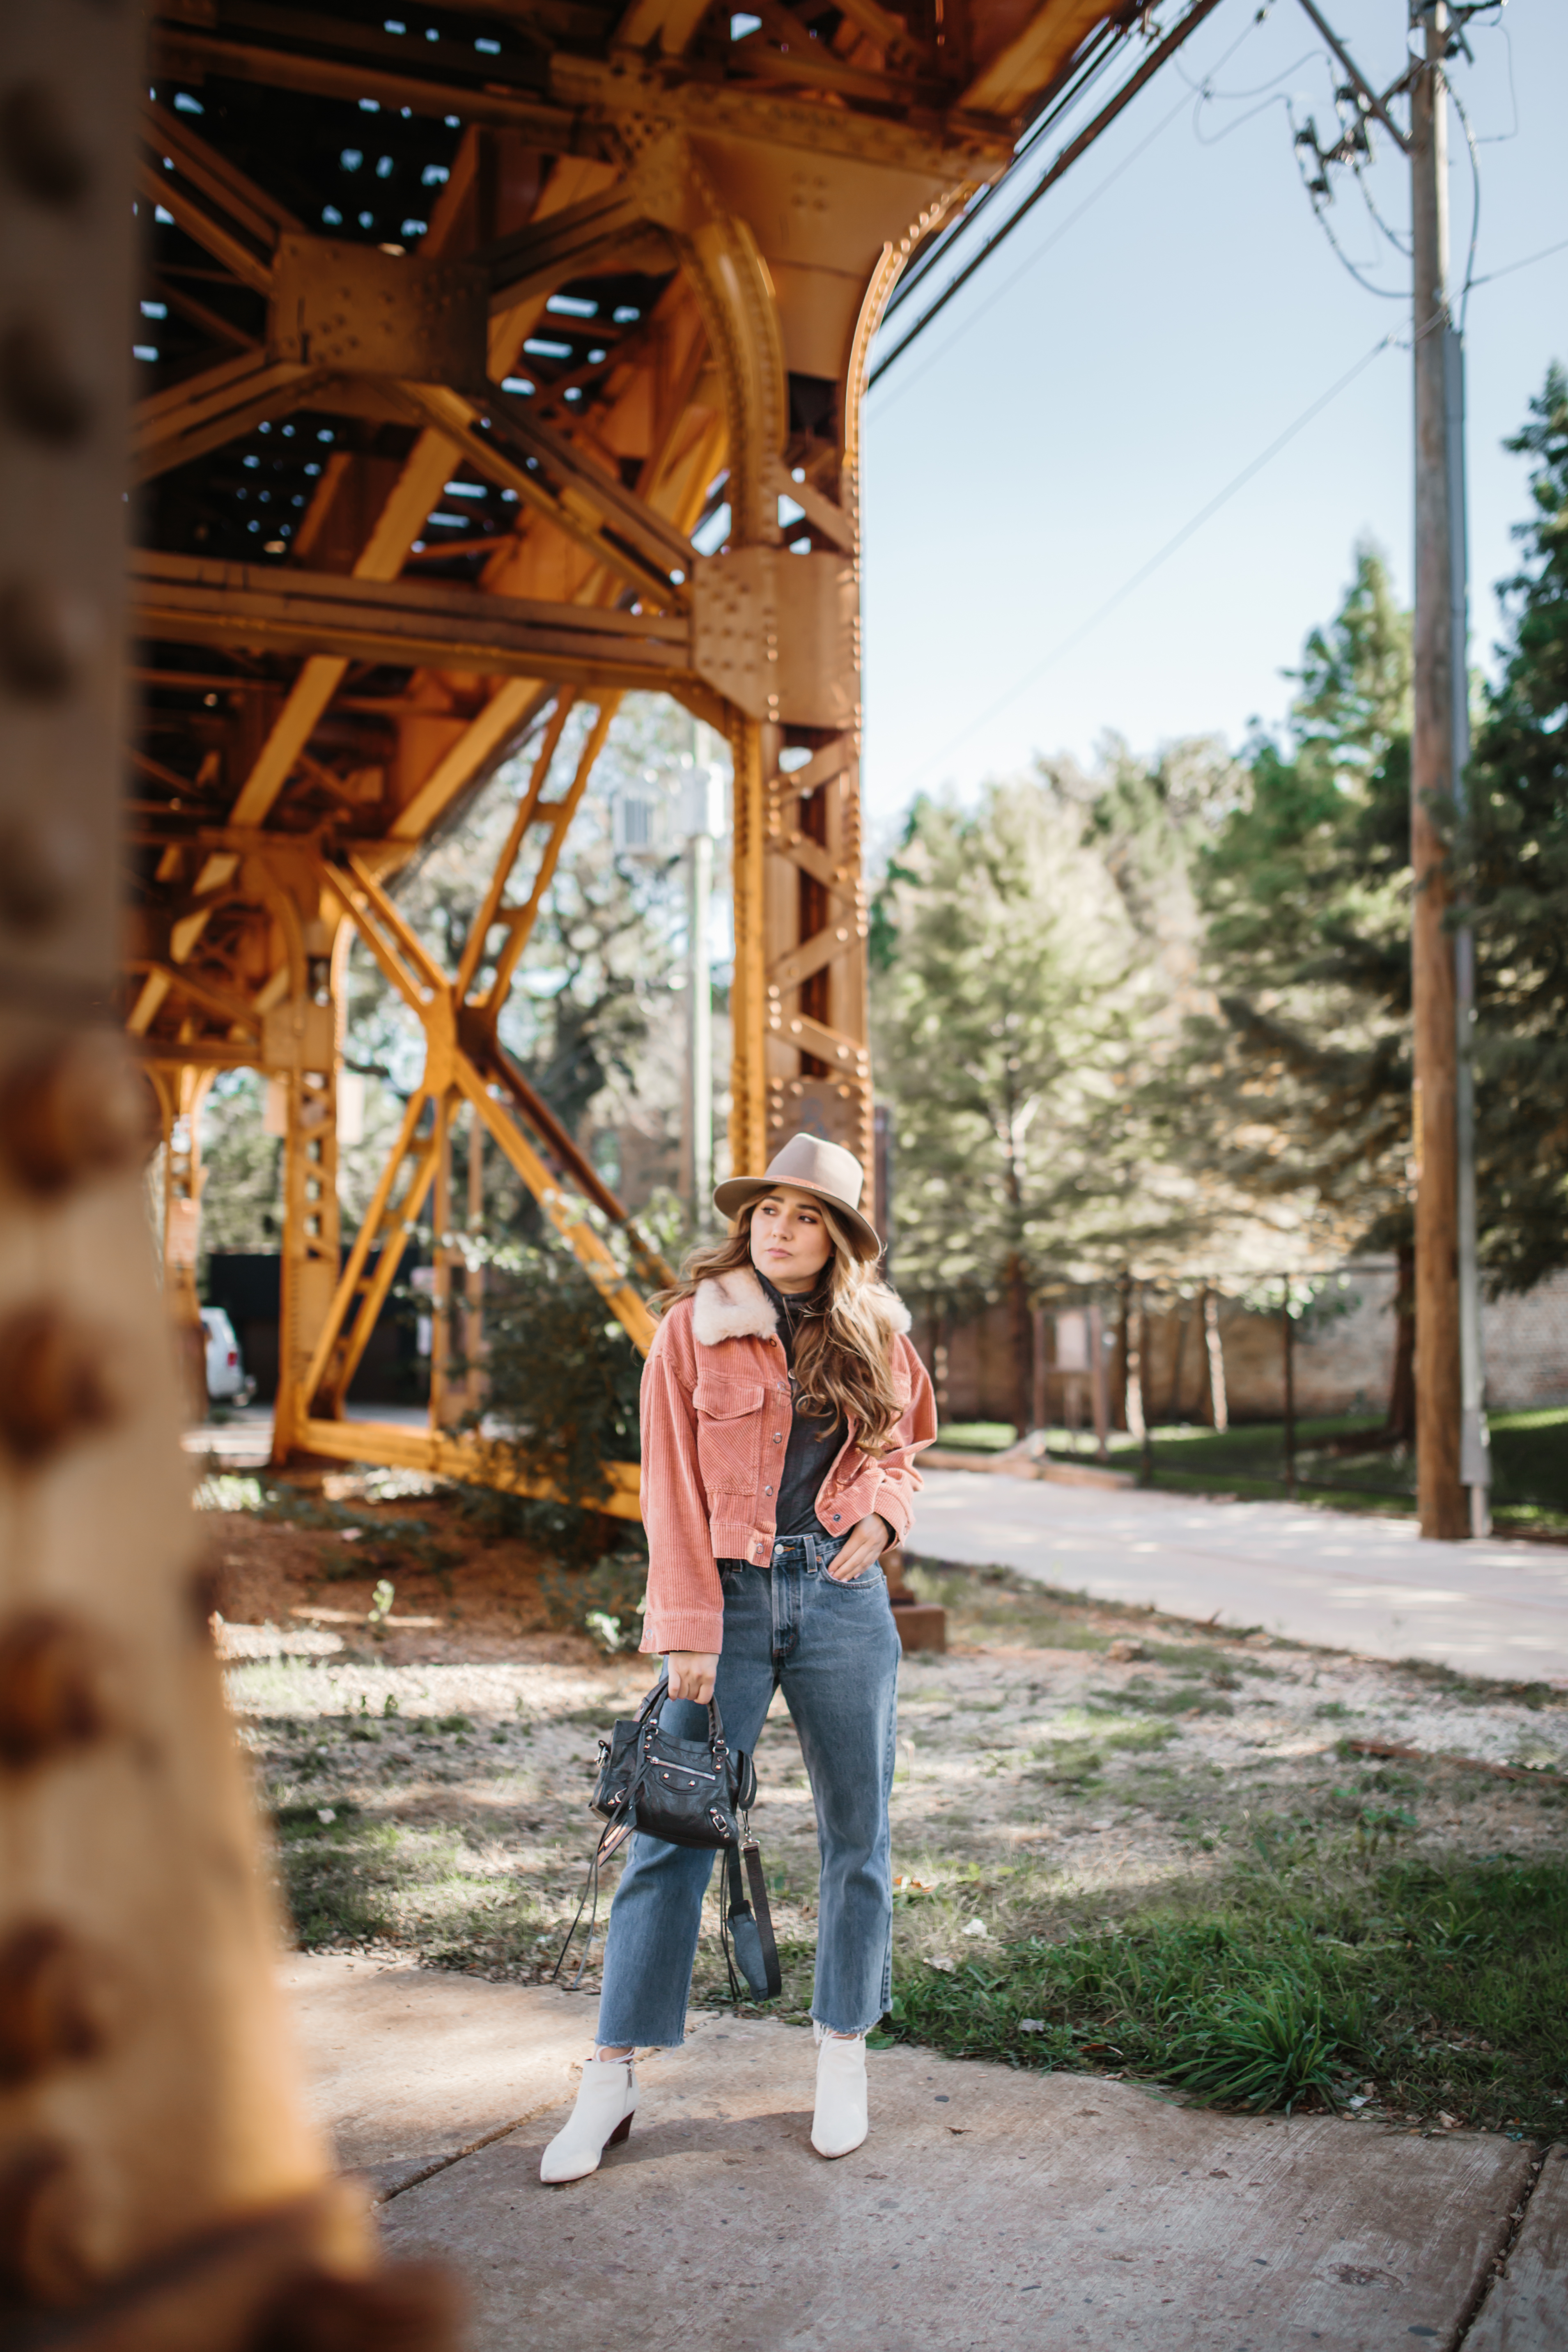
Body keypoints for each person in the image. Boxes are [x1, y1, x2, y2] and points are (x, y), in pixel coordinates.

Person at [540, 1132, 937, 2183]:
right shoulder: (691, 1331)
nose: (782, 1228)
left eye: (807, 1215)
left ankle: (842, 2050)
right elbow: (666, 1489)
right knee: (668, 1830)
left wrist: (887, 1520)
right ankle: (611, 2078)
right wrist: (685, 1629)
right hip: (727, 1599)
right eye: (769, 1209)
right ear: (747, 1220)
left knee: (860, 1829)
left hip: (844, 1600)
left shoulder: (877, 1335)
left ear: (840, 1237)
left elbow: (903, 1449)